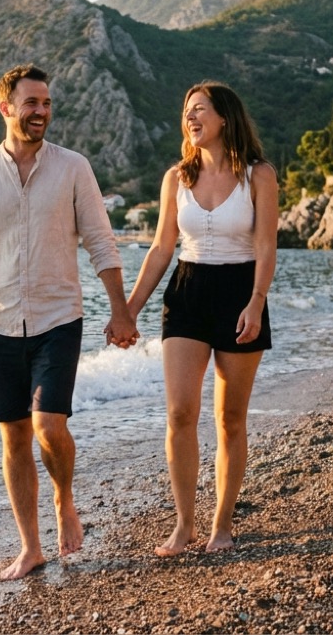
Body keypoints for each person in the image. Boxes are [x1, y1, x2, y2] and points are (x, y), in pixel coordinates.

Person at [0, 64, 139, 580]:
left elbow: (100, 239)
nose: (42, 112)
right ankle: (30, 548)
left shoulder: (73, 168)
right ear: (6, 108)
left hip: (58, 317)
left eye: (47, 104)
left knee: (49, 425)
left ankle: (64, 497)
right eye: (32, 104)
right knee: (14, 438)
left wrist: (120, 309)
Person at [124, 81, 277, 556]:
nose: (190, 118)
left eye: (200, 110)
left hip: (239, 292)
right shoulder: (176, 178)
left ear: (225, 118)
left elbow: (265, 246)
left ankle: (223, 524)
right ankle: (184, 523)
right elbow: (161, 248)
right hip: (187, 292)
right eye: (187, 111)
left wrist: (256, 300)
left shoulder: (259, 175)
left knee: (230, 419)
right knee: (180, 414)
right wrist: (128, 310)